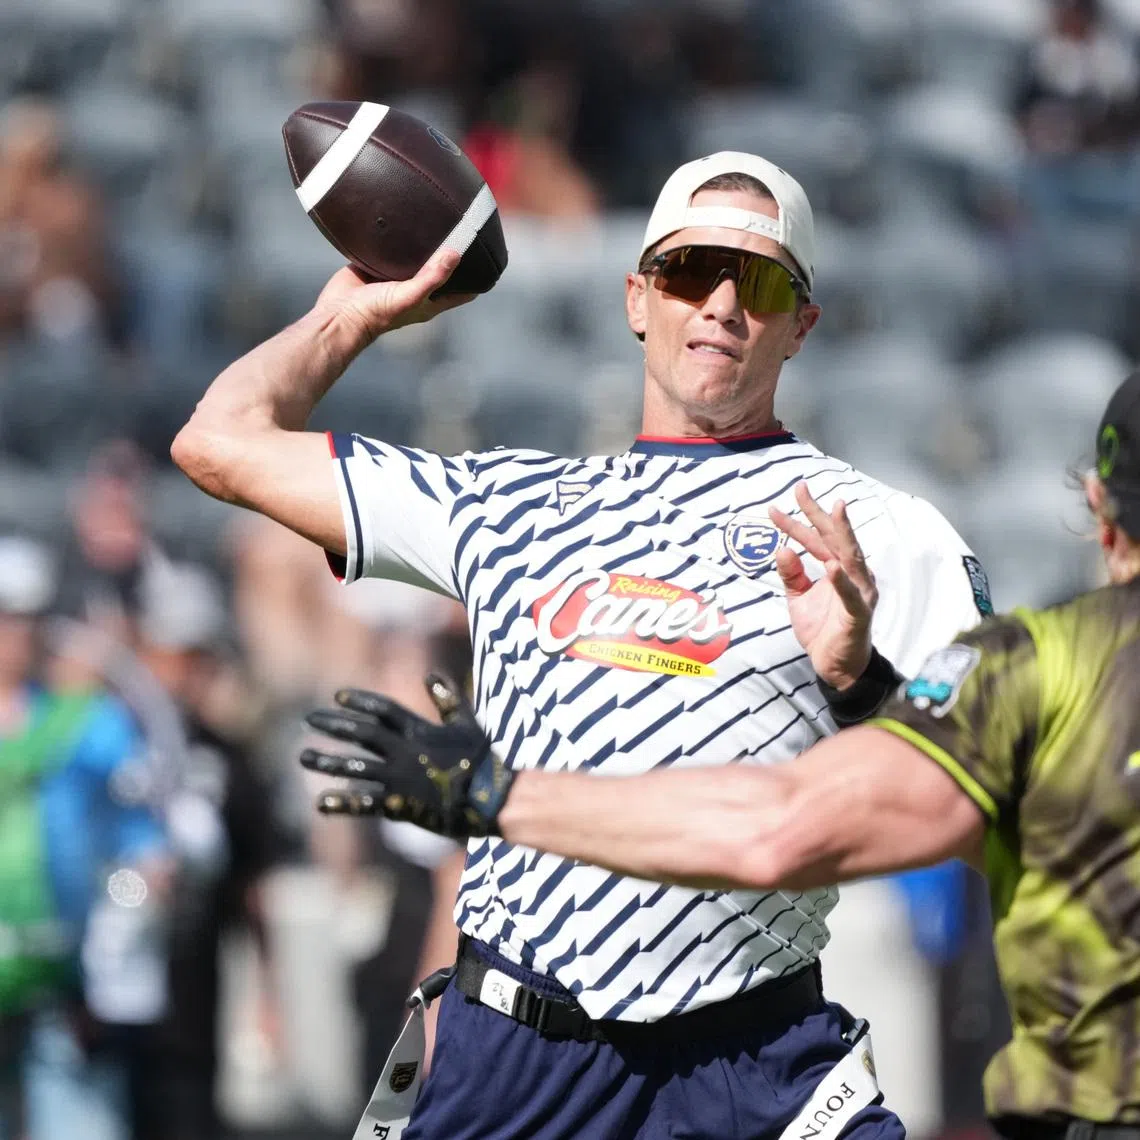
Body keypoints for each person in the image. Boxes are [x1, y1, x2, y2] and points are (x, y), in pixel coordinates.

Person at [172, 151, 995, 1138]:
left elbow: (989, 803)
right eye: (691, 271)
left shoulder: (880, 531)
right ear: (637, 298)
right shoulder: (505, 503)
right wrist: (353, 315)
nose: (723, 305)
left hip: (754, 1056)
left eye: (762, 281)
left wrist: (860, 681)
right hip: (520, 1055)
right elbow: (218, 441)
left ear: (801, 324)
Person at [306, 372, 1140, 1138]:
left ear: (1099, 506)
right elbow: (985, 837)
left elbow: (778, 833)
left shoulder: (1049, 665)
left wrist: (494, 794)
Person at [0, 535, 169, 1140]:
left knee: (80, 1124)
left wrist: (130, 905)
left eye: (21, 619)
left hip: (63, 973)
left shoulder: (89, 722)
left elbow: (144, 837)